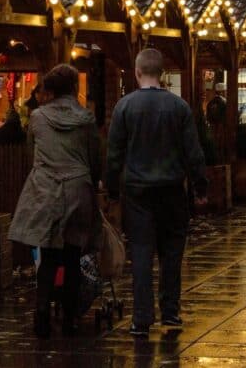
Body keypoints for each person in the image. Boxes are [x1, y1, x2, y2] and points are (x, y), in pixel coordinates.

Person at [105, 48, 208, 337]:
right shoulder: (179, 107)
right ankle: (170, 312)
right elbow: (193, 153)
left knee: (141, 252)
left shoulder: (124, 107)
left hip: (137, 192)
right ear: (161, 73)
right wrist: (200, 187)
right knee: (172, 253)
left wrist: (112, 190)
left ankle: (141, 318)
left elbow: (114, 155)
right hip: (172, 190)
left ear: (137, 72)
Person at [8, 65, 101, 338]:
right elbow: (94, 158)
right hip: (78, 189)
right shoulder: (86, 119)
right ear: (73, 87)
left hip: (45, 188)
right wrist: (94, 184)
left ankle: (41, 313)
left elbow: (31, 153)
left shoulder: (37, 118)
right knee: (72, 256)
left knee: (47, 256)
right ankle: (71, 318)